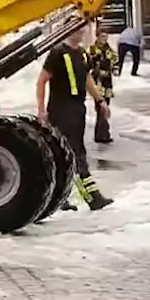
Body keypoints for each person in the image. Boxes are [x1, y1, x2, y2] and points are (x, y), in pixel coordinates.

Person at [37, 28, 114, 211]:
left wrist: (100, 100)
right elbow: (42, 81)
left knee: (65, 154)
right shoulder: (57, 53)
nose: (80, 34)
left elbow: (87, 79)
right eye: (77, 30)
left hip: (78, 109)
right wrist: (41, 110)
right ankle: (92, 197)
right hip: (61, 109)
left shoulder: (81, 53)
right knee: (75, 153)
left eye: (82, 30)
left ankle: (59, 198)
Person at [86, 28, 118, 144]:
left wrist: (114, 70)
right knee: (100, 108)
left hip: (107, 83)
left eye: (106, 37)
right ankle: (103, 133)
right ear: (97, 36)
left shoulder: (110, 50)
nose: (104, 39)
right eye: (102, 36)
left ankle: (101, 133)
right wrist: (97, 71)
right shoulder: (91, 50)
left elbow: (115, 62)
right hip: (96, 83)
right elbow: (87, 66)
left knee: (105, 106)